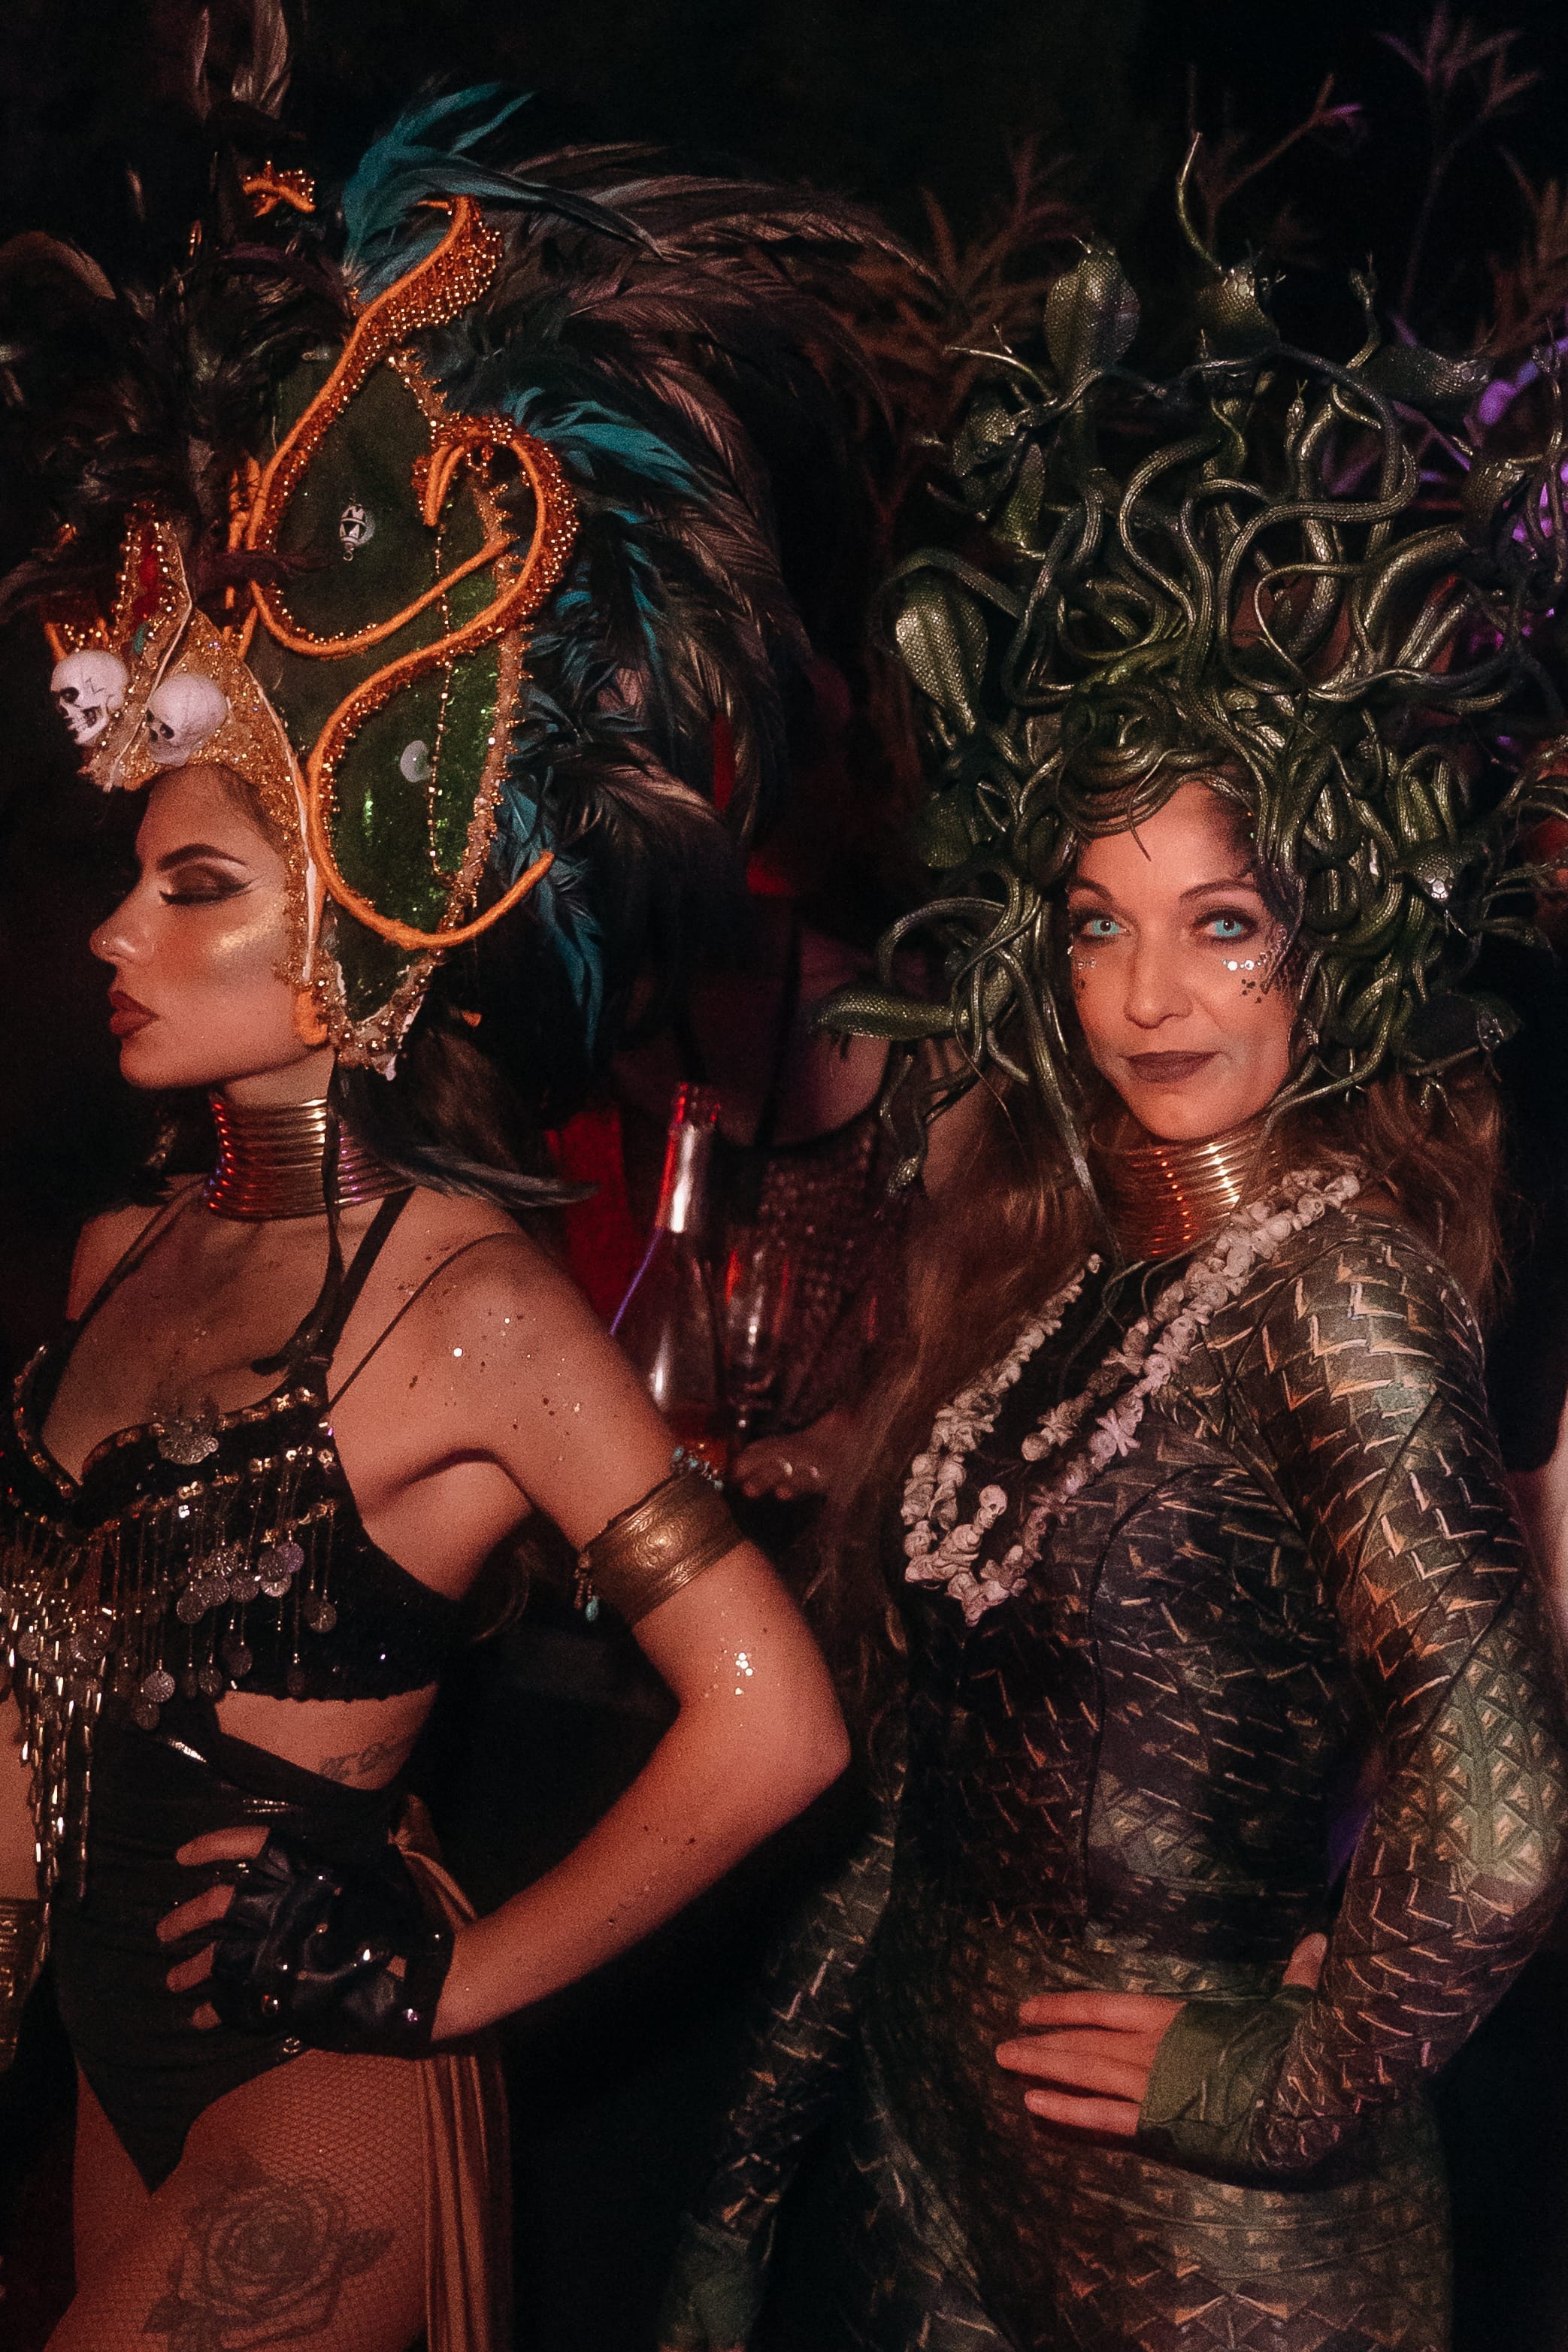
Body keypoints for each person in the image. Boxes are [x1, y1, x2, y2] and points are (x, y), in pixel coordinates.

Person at [0, 48, 906, 2349]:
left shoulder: (469, 1306)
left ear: (362, 938)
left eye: (194, 888)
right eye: (133, 876)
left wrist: (459, 1972)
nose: (118, 930)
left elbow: (775, 1723)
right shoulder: (121, 1256)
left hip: (320, 2096)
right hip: (105, 2072)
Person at [658, 234, 1568, 2351]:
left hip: (1218, 2252)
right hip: (936, 2188)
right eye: (1096, 922)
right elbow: (914, 1826)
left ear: (1329, 940)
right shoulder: (1058, 1277)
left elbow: (1508, 1822)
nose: (1150, 996)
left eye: (1221, 923)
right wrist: (735, 2201)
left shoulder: (1333, 1286)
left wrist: (1287, 2078)